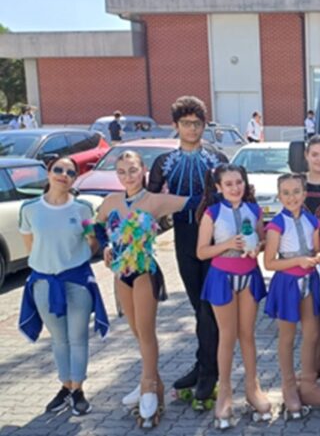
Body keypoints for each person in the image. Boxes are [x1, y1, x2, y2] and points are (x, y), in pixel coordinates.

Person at [95, 150, 192, 427]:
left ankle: (147, 384)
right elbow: (97, 225)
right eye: (122, 172)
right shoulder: (111, 201)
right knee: (137, 332)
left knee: (147, 331)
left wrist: (230, 190)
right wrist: (104, 247)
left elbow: (195, 202)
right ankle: (153, 384)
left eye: (133, 170)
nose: (128, 176)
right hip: (120, 274)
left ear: (144, 170)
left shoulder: (155, 201)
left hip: (144, 272)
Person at [147, 96, 228, 406]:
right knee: (198, 306)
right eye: (185, 123)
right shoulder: (163, 163)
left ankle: (208, 373)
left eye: (196, 123)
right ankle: (203, 364)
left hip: (215, 238)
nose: (191, 128)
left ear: (204, 126)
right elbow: (148, 204)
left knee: (210, 306)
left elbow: (232, 195)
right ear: (175, 126)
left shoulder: (217, 159)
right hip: (183, 236)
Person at [18, 157, 109, 416]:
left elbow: (93, 240)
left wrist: (76, 261)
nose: (63, 174)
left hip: (77, 282)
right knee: (59, 340)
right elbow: (30, 246)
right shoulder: (30, 209)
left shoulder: (81, 210)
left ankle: (78, 390)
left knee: (77, 338)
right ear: (48, 173)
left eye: (70, 172)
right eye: (58, 169)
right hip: (45, 283)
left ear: (75, 179)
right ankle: (65, 386)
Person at [196, 164, 271, 428]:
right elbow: (201, 252)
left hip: (249, 277)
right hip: (222, 279)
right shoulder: (212, 213)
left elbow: (261, 242)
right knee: (227, 336)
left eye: (238, 182)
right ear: (218, 188)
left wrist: (257, 248)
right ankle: (225, 392)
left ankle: (253, 388)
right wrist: (228, 244)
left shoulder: (255, 210)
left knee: (247, 334)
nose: (235, 188)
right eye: (228, 184)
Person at [263, 173, 320, 419]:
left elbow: (317, 249)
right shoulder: (276, 225)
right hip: (286, 283)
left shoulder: (311, 221)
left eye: (296, 191)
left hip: (310, 281)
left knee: (313, 333)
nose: (292, 197)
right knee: (286, 336)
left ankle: (307, 384)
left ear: (304, 194)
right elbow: (269, 263)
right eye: (286, 193)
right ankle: (288, 386)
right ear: (279, 196)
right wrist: (298, 261)